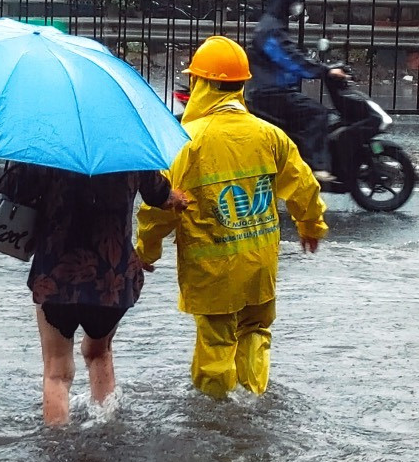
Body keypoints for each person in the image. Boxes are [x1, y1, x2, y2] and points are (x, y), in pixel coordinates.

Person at [136, 35, 327, 399]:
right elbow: (304, 185)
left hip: (213, 271)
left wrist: (145, 252)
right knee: (256, 332)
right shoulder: (270, 135)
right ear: (241, 85)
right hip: (259, 264)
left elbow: (159, 207)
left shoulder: (185, 140)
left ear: (201, 84)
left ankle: (218, 416)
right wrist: (311, 226)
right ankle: (253, 399)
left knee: (216, 343)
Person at [11, 163, 187, 426]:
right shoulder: (129, 153)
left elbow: (16, 194)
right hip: (111, 278)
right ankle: (106, 429)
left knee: (57, 372)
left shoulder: (46, 152)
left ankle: (57, 449)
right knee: (99, 352)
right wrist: (177, 199)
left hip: (57, 278)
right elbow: (160, 195)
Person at [245, 0, 344, 181]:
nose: (297, 6)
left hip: (273, 91)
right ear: (284, 1)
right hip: (271, 94)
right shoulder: (270, 29)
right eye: (294, 1)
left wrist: (317, 64)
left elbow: (290, 53)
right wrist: (322, 71)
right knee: (318, 114)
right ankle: (316, 167)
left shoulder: (272, 25)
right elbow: (288, 59)